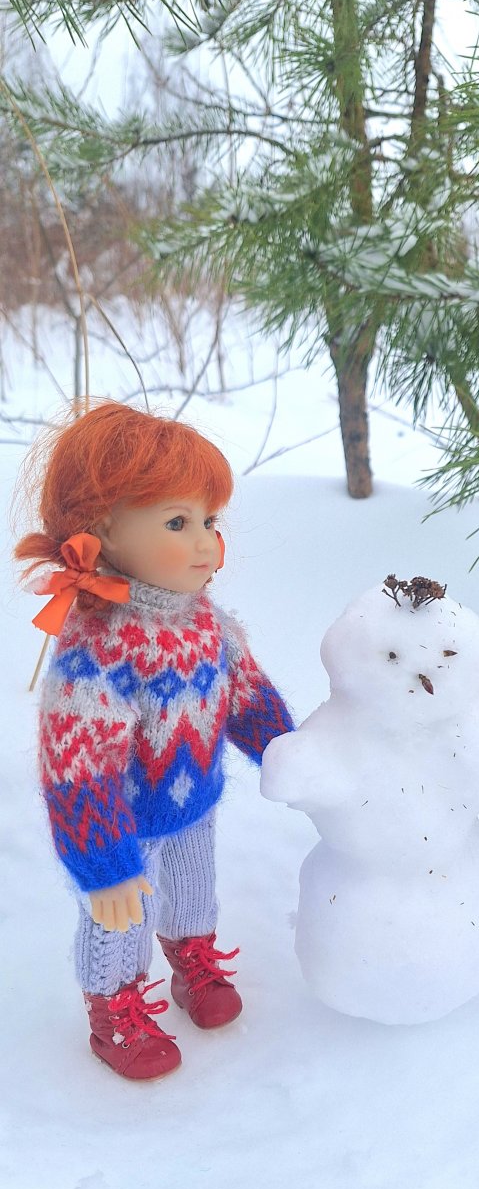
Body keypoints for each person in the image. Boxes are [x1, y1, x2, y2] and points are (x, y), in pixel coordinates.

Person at [15, 402, 295, 1079]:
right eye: (178, 523)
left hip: (194, 803)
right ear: (104, 529)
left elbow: (248, 697)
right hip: (124, 827)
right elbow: (77, 768)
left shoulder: (209, 626)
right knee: (122, 916)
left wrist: (291, 754)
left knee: (193, 890)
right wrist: (104, 861)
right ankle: (114, 1007)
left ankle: (192, 958)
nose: (206, 544)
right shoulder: (99, 651)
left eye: (209, 521)